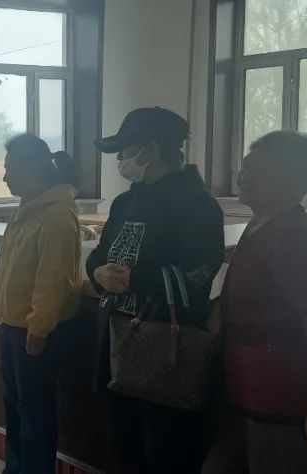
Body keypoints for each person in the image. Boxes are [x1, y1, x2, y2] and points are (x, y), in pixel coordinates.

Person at [202, 131, 307, 474]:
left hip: (282, 403)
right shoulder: (260, 225)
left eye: (256, 170)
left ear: (287, 181)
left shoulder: (295, 237)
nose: (243, 177)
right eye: (245, 167)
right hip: (243, 396)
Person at [87, 107, 225, 474]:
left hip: (167, 353)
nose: (121, 160)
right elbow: (99, 255)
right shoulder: (125, 202)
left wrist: (136, 279)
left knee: (167, 454)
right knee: (125, 450)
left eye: (125, 151)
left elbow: (198, 276)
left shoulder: (198, 206)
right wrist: (98, 272)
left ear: (149, 150)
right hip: (117, 344)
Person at [0, 134, 82, 474]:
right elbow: (6, 266)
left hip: (34, 333)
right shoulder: (26, 211)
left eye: (10, 169)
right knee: (15, 409)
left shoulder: (57, 215)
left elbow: (53, 280)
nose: (5, 177)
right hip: (12, 326)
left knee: (34, 415)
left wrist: (39, 328)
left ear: (33, 169)